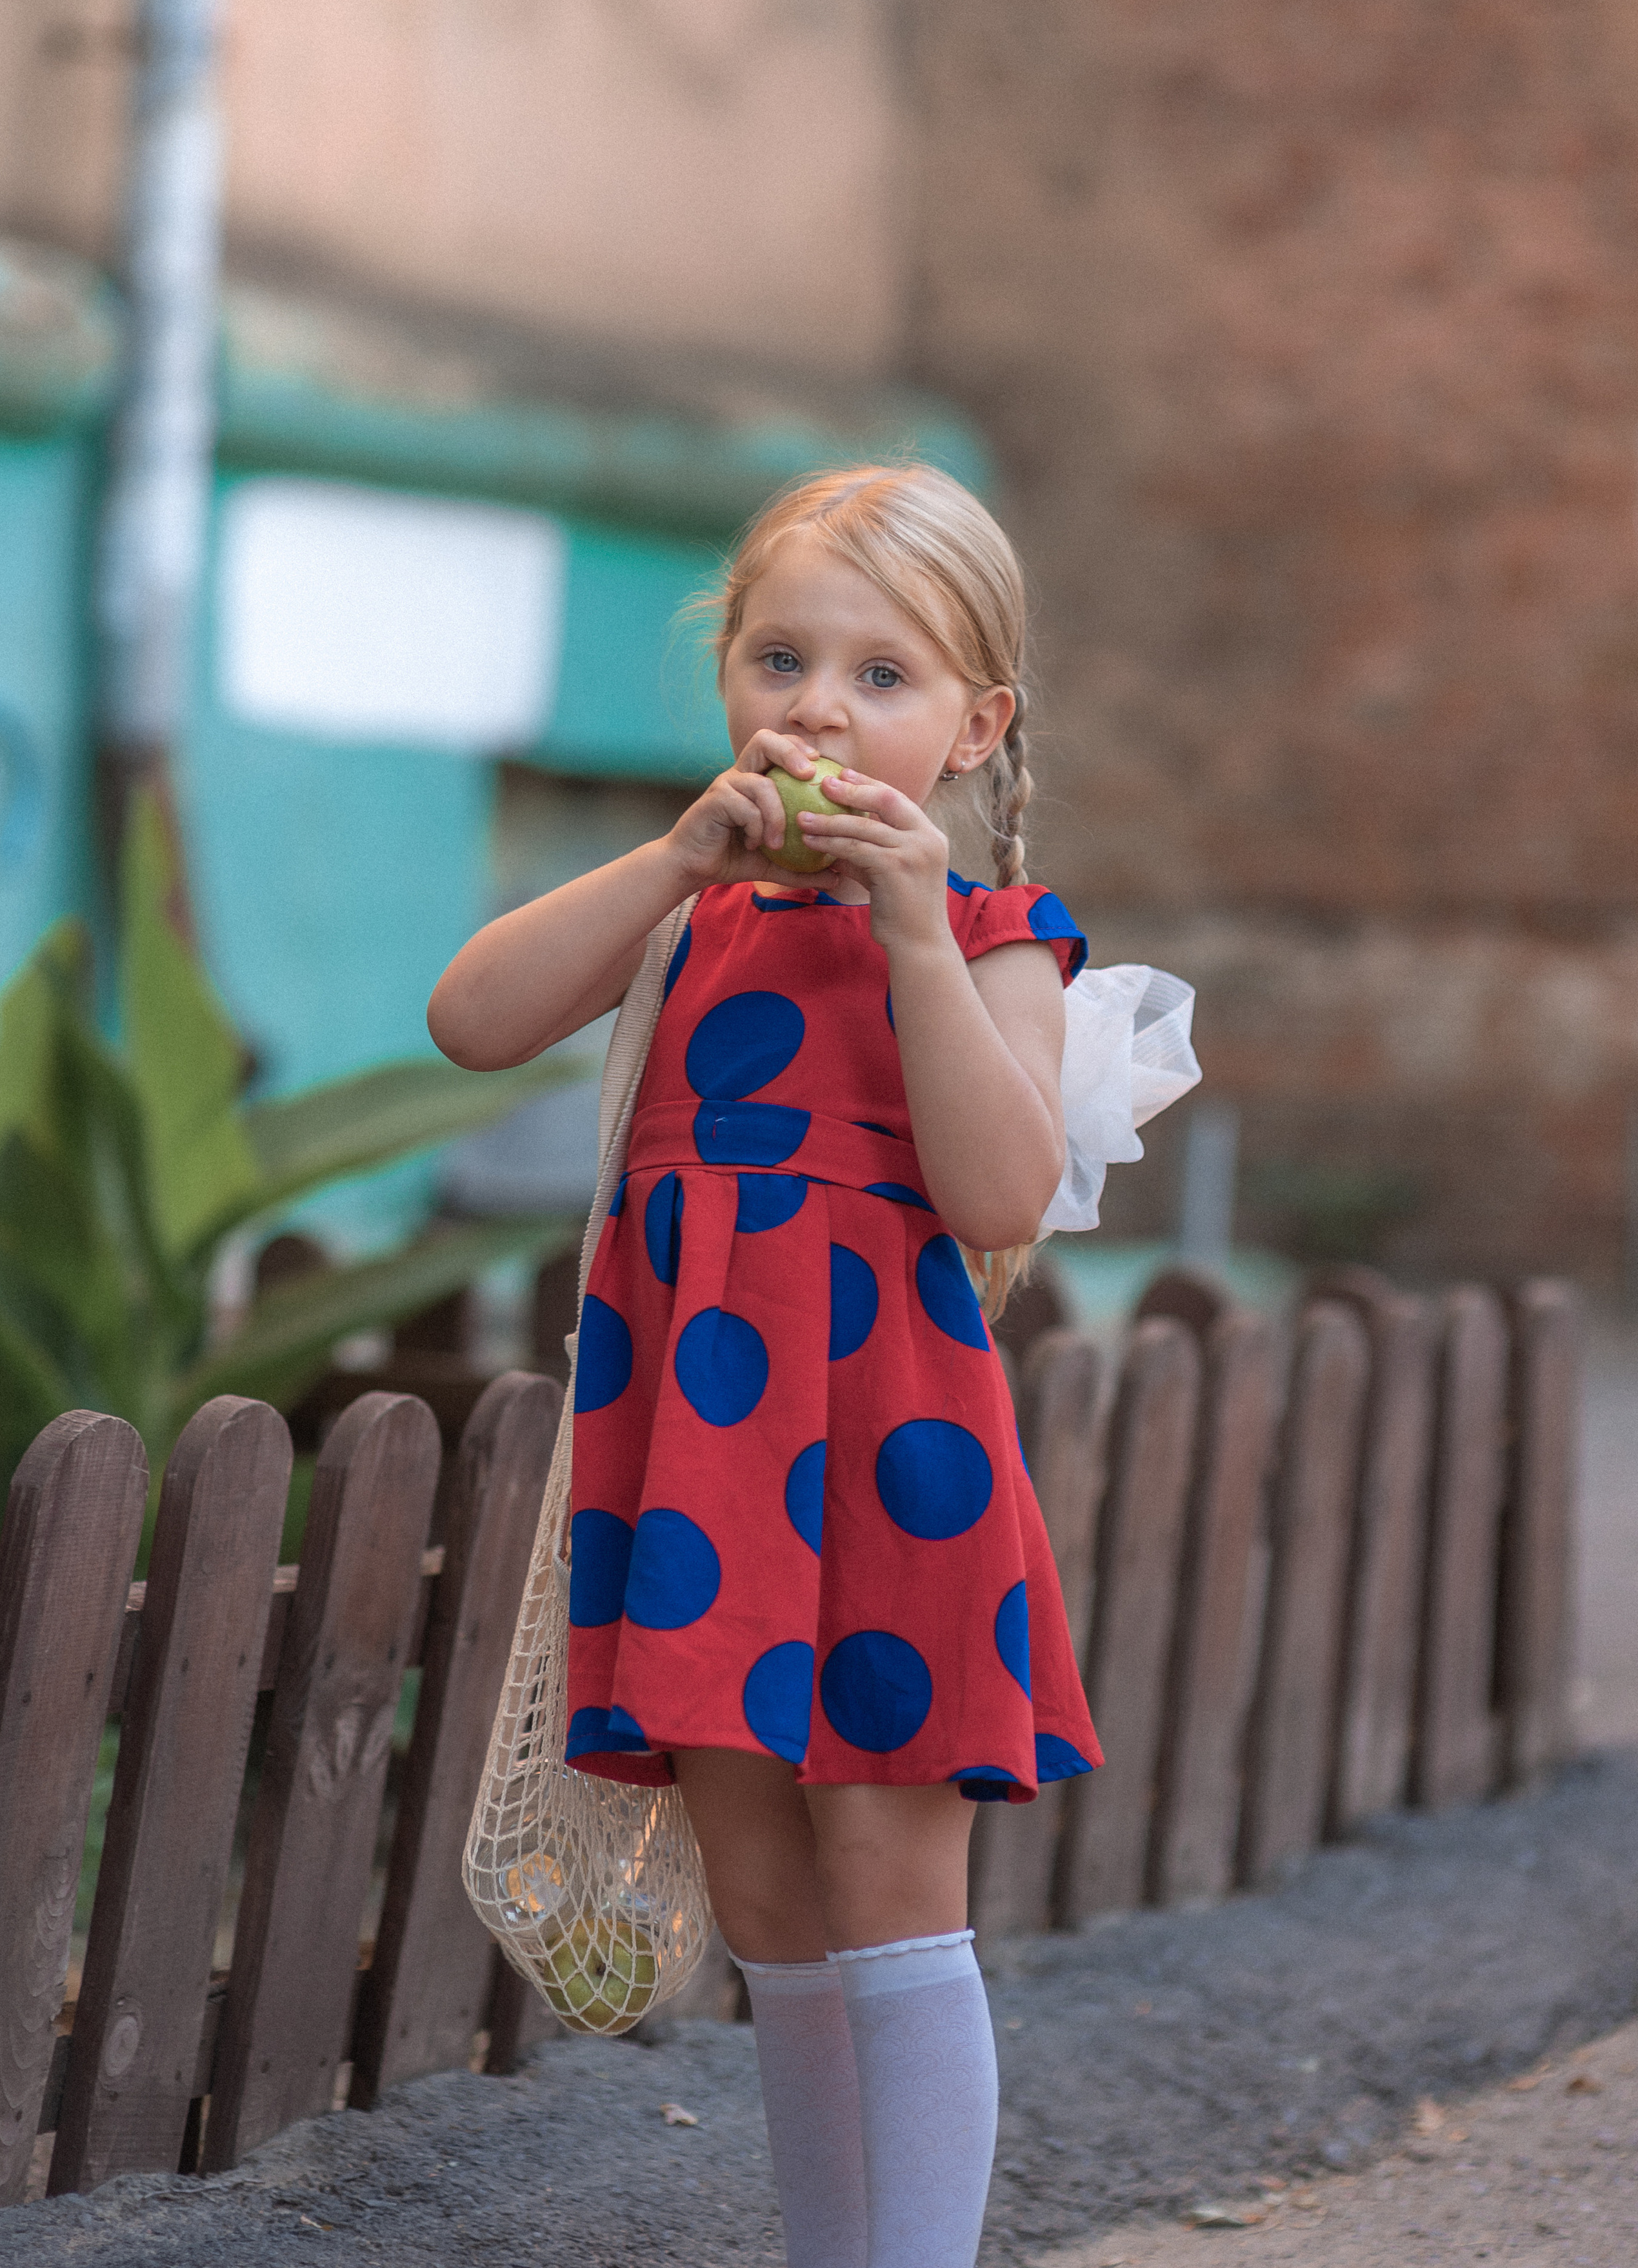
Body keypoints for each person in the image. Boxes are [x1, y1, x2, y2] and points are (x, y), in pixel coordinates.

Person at [431, 465, 1160, 2268]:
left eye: (884, 675)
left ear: (978, 724)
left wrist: (918, 921)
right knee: (765, 1891)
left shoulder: (1000, 938)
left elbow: (996, 1185)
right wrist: (675, 854)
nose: (819, 706)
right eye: (780, 657)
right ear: (727, 683)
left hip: (891, 1460)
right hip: (703, 1464)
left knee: (895, 1880)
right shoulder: (687, 916)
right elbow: (471, 1019)